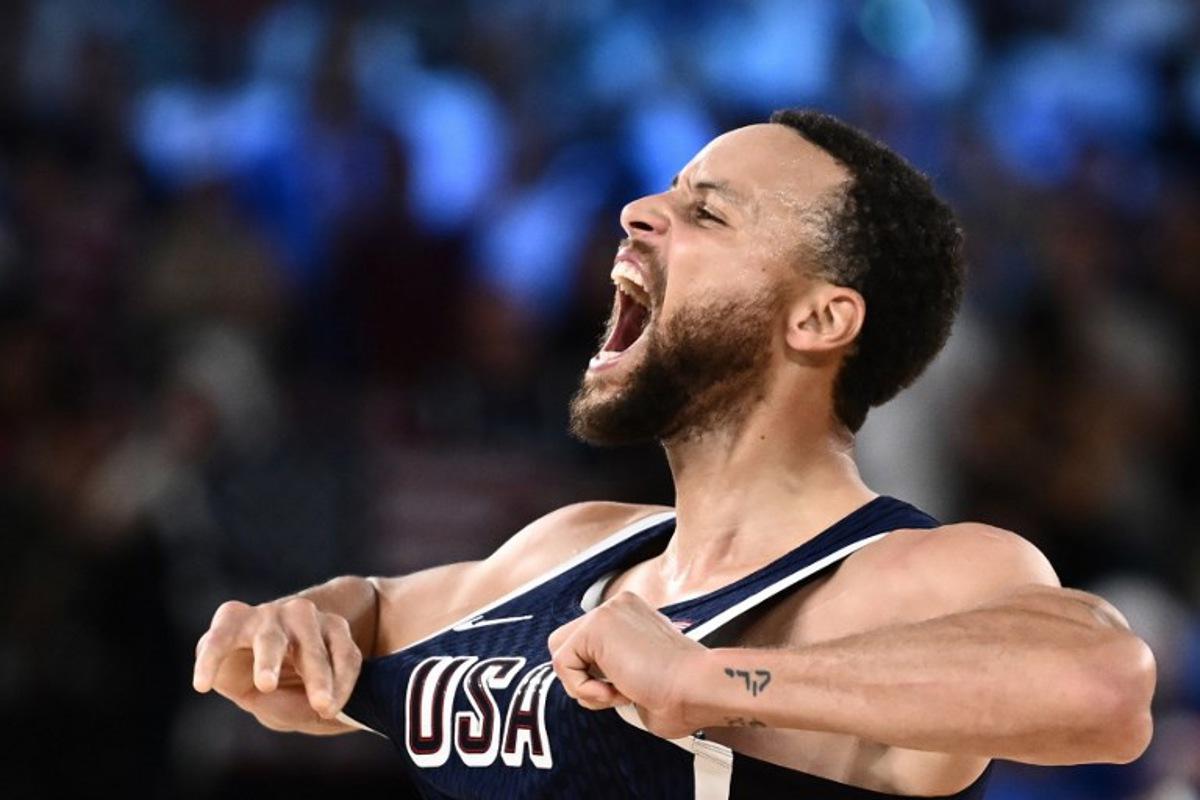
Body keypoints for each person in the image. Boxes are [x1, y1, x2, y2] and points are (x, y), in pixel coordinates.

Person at [192, 109, 1156, 799]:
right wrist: (305, 622)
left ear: (821, 318)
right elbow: (373, 611)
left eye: (708, 212)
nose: (640, 212)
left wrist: (708, 681)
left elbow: (1104, 689)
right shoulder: (567, 549)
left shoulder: (894, 579)